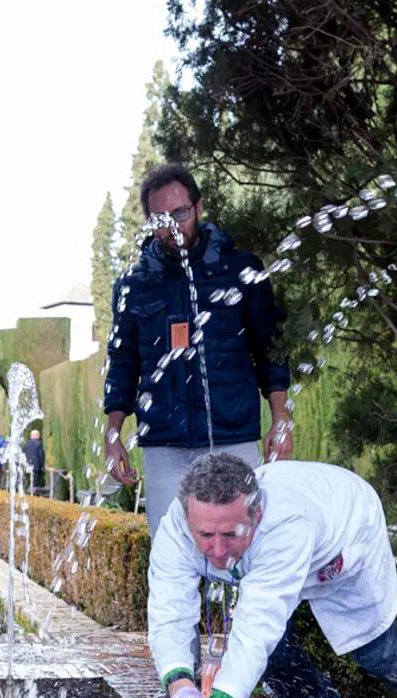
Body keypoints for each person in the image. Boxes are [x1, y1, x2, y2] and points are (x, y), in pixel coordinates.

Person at [150, 452, 397, 698]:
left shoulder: (287, 524)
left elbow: (258, 623)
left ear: (255, 515)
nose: (217, 550)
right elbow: (170, 611)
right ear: (187, 517)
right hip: (282, 549)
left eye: (230, 534)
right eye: (205, 534)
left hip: (345, 531)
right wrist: (181, 688)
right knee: (275, 652)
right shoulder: (174, 528)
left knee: (375, 649)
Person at [102, 162, 292, 533]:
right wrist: (113, 436)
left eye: (180, 213)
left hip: (232, 438)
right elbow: (122, 362)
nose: (172, 226)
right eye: (160, 218)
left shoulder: (242, 271)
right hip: (163, 444)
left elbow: (270, 347)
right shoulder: (133, 284)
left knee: (241, 550)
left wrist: (281, 418)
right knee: (171, 558)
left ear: (199, 208)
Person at [21, 428, 47, 495]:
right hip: (36, 466)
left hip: (27, 466)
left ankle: (27, 494)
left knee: (29, 481)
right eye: (39, 435)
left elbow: (22, 453)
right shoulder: (38, 444)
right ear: (37, 436)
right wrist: (42, 466)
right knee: (34, 484)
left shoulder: (26, 444)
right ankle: (32, 496)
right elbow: (40, 456)